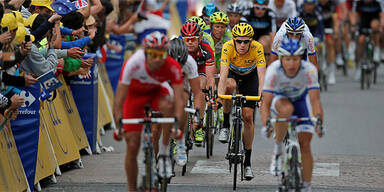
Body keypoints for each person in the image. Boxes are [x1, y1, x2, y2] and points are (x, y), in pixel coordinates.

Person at [113, 31, 184, 192]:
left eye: (162, 54)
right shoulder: (133, 63)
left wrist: (176, 125)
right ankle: (132, 189)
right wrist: (119, 124)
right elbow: (119, 99)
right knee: (132, 145)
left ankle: (164, 154)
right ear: (146, 53)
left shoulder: (172, 66)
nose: (158, 59)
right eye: (153, 54)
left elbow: (179, 99)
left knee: (168, 105)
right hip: (135, 96)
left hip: (157, 93)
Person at [260, 38, 324, 192]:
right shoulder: (273, 70)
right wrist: (266, 124)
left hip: (301, 101)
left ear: (300, 59)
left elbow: (315, 100)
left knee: (305, 145)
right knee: (286, 110)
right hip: (280, 99)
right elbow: (266, 103)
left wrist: (319, 122)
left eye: (295, 59)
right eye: (287, 59)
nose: (291, 64)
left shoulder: (309, 70)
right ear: (281, 59)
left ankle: (307, 186)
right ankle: (277, 150)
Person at [216, 23, 266, 180]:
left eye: (246, 41)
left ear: (251, 41)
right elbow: (223, 76)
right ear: (234, 40)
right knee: (229, 85)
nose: (242, 45)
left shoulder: (257, 48)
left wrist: (261, 97)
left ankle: (248, 163)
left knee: (248, 116)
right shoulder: (227, 47)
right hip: (233, 75)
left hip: (250, 78)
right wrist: (219, 96)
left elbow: (262, 76)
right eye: (239, 41)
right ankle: (225, 124)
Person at [180, 21, 215, 146]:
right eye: (186, 39)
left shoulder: (206, 49)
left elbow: (210, 76)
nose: (189, 42)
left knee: (200, 86)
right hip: (183, 72)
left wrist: (211, 94)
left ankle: (198, 123)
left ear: (199, 38)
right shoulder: (178, 48)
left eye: (193, 39)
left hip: (200, 72)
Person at [350, 0, 384, 80]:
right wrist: (353, 25)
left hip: (374, 20)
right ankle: (359, 65)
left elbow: (382, 15)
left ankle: (376, 48)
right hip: (363, 21)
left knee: (375, 26)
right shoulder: (358, 1)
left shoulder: (378, 1)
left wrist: (382, 26)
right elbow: (354, 14)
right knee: (361, 40)